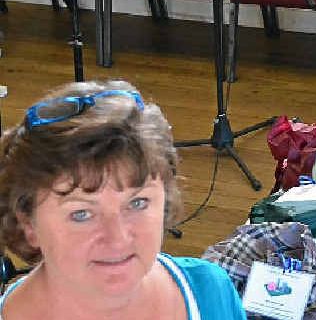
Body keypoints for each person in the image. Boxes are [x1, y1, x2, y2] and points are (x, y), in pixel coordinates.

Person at [0, 81, 245, 319]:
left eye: (137, 203)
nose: (118, 239)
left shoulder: (210, 293)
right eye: (81, 214)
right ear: (28, 225)